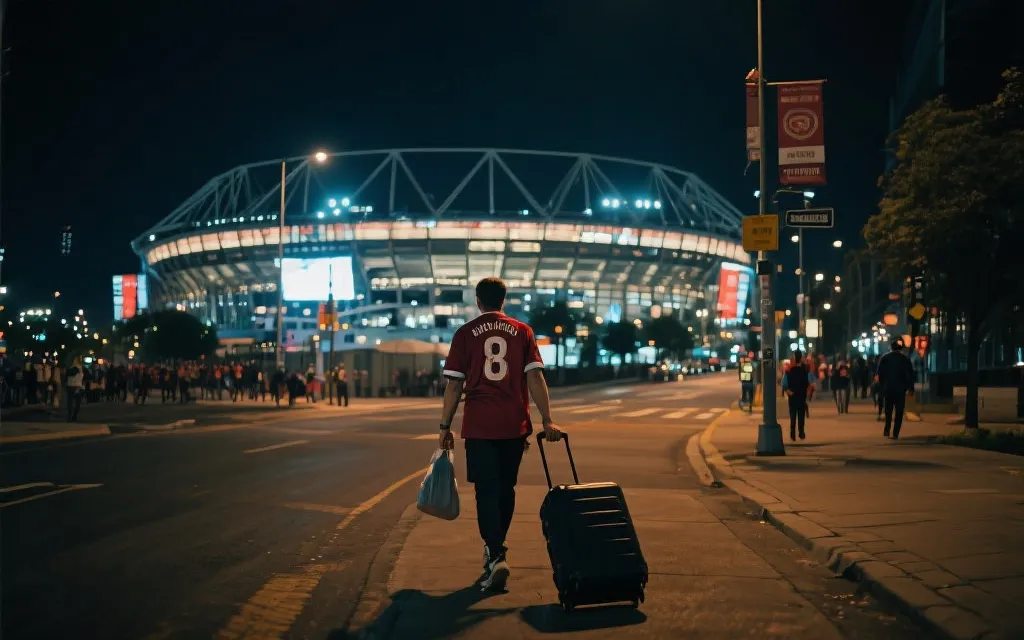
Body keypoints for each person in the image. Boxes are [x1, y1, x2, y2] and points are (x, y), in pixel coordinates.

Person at [437, 277, 562, 592]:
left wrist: (444, 426)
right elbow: (535, 378)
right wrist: (547, 420)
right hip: (513, 425)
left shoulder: (465, 334)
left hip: (480, 425)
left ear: (478, 301)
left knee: (485, 491)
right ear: (504, 300)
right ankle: (497, 550)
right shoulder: (523, 331)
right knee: (506, 489)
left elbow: (454, 385)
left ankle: (495, 554)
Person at [876, 339, 916, 439]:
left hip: (888, 388)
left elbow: (879, 374)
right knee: (899, 411)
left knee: (888, 411)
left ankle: (887, 430)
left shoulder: (885, 358)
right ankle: (895, 433)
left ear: (891, 347)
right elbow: (910, 375)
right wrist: (911, 389)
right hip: (900, 389)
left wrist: (882, 386)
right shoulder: (905, 359)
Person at [781, 350, 810, 441]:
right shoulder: (805, 371)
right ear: (801, 358)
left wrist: (788, 391)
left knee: (793, 416)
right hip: (801, 396)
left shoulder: (789, 371)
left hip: (792, 396)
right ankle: (801, 433)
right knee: (801, 416)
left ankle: (792, 434)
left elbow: (784, 383)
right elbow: (808, 383)